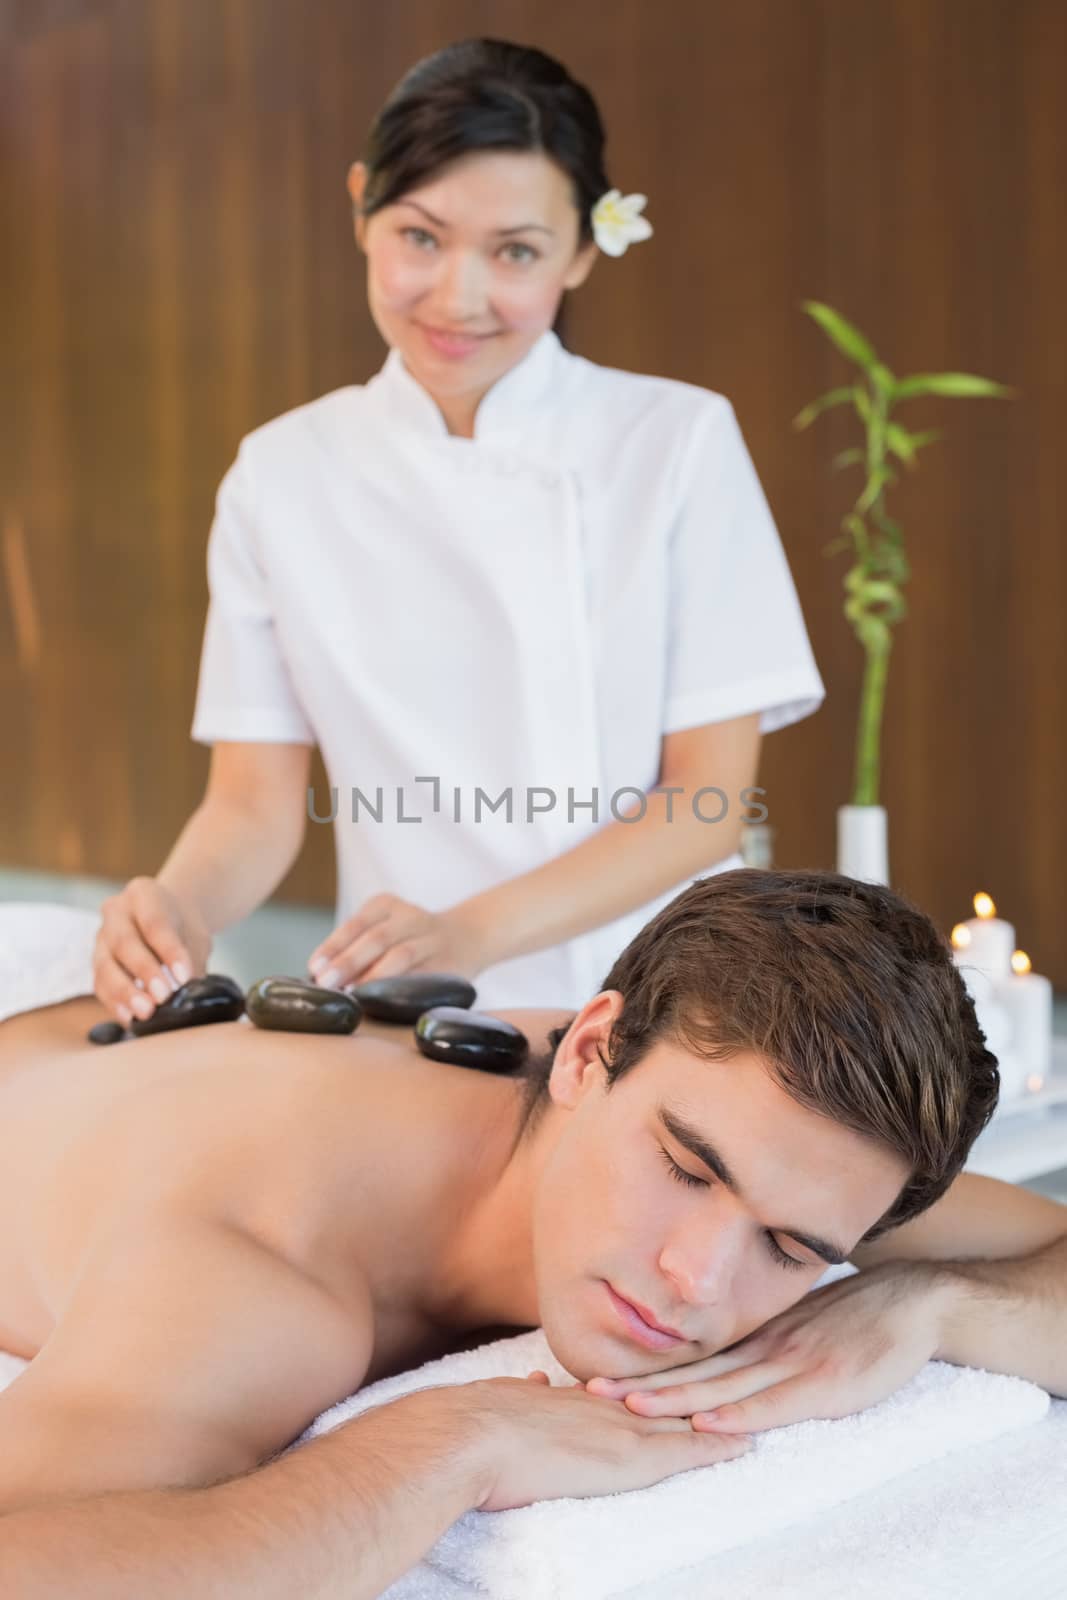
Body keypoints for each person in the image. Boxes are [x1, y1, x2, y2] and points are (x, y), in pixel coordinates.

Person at [2, 868, 1066, 1596]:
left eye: (793, 1251)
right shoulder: (257, 1275)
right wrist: (446, 1444)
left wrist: (931, 1306)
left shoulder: (773, 1137)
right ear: (583, 1052)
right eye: (684, 1169)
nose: (694, 1278)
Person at [92, 37, 826, 1030]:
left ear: (582, 249)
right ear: (361, 208)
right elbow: (252, 804)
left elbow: (705, 799)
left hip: (663, 1004)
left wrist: (471, 932)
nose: (456, 296)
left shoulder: (674, 442)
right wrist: (179, 904)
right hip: (401, 1012)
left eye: (514, 251)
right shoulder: (281, 473)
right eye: (420, 237)